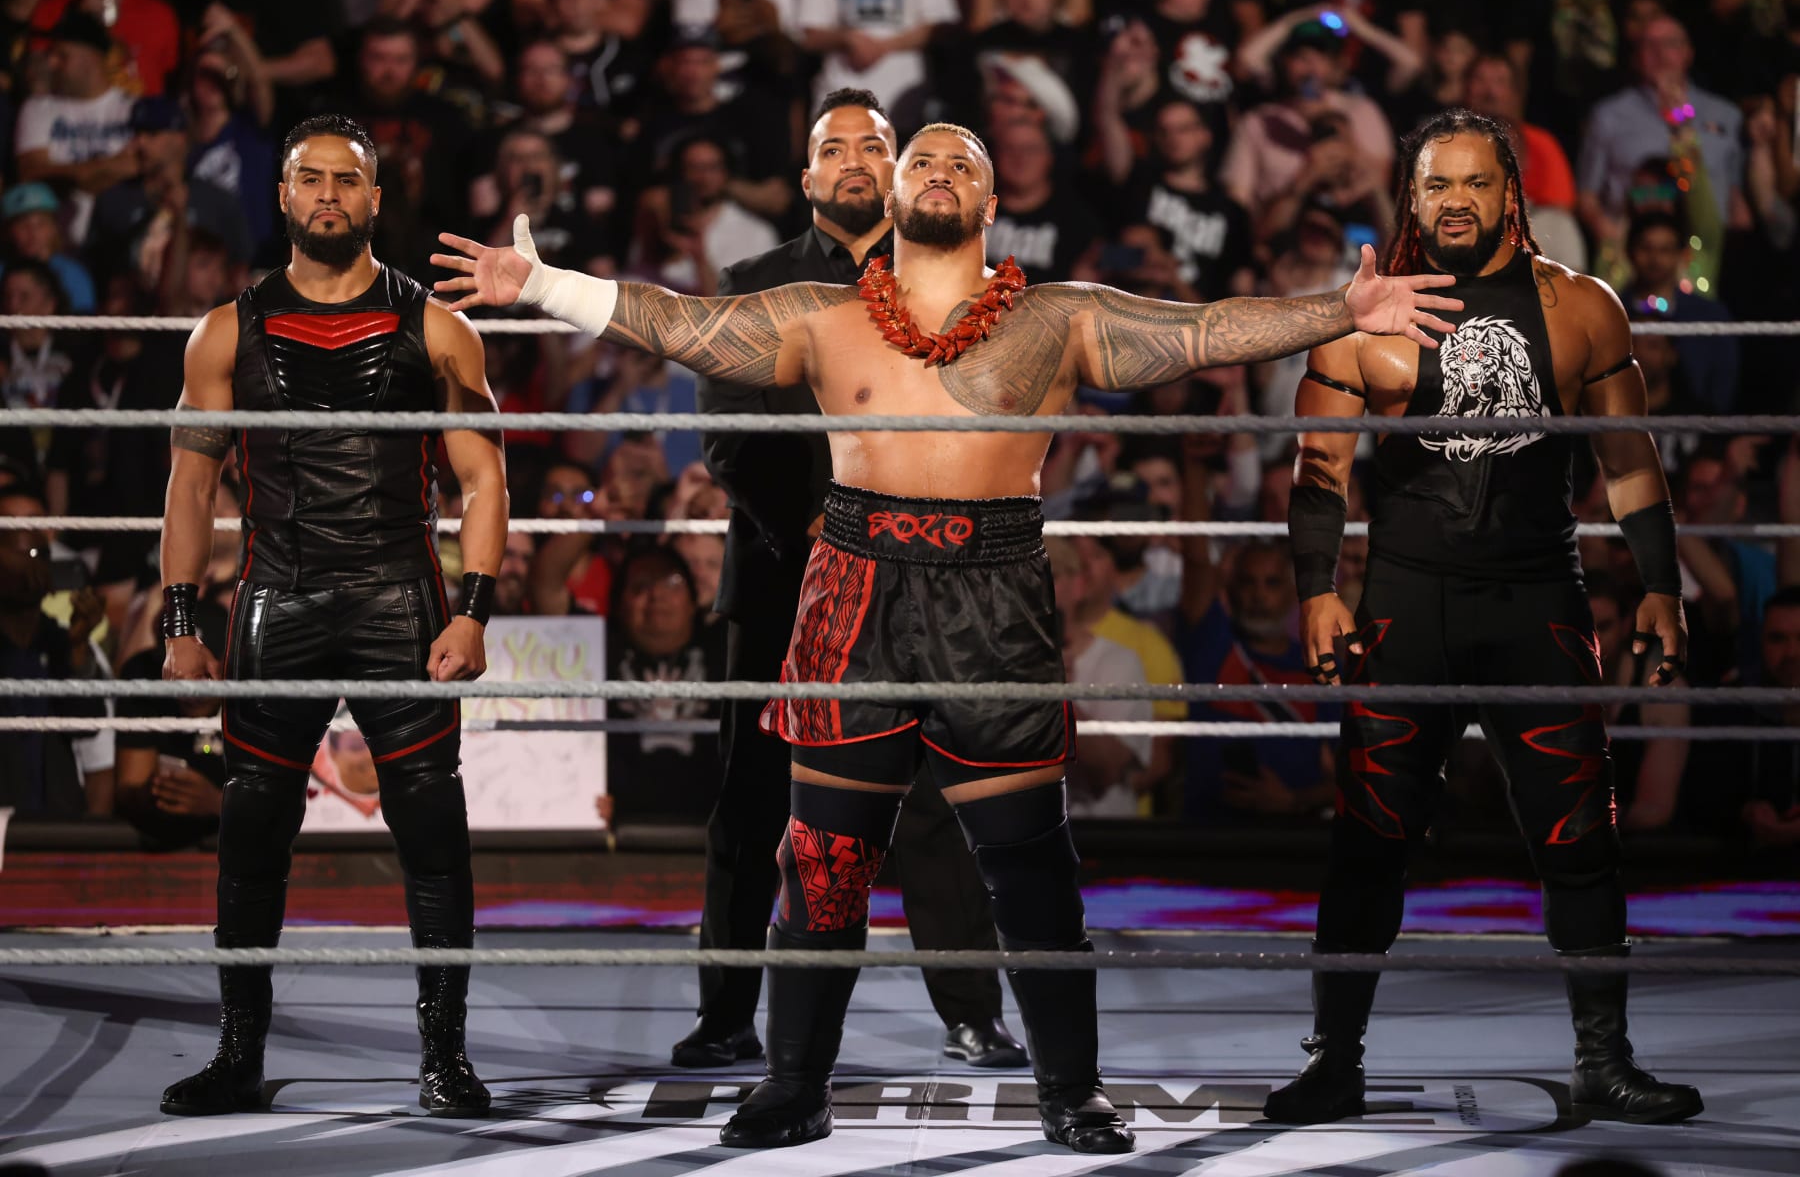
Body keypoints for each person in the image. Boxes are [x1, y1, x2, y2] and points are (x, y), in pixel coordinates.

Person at [433, 111, 1458, 1153]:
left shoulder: (1055, 319)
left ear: (991, 199)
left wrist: (1341, 308)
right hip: (853, 587)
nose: (933, 173)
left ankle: (1071, 1088)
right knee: (822, 859)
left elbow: (1197, 333)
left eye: (957, 162)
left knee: (1030, 863)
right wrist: (546, 287)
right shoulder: (822, 318)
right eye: (916, 160)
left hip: (995, 590)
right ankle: (794, 1083)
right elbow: (683, 324)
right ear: (888, 196)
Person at [1266, 108, 1703, 1128]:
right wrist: (1318, 589)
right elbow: (1319, 468)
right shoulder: (1370, 317)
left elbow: (1629, 462)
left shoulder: (1581, 308)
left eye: (1473, 183)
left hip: (1535, 603)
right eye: (1435, 185)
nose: (1454, 202)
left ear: (1511, 193)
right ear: (1410, 197)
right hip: (1404, 607)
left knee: (1579, 836)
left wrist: (1660, 586)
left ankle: (1604, 1058)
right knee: (1368, 838)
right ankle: (1335, 1060)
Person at [157, 114, 508, 1120]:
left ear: (374, 198)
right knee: (250, 832)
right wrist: (182, 620)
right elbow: (189, 487)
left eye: (344, 181)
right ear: (281, 195)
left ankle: (444, 1057)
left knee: (433, 830)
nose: (325, 194)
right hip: (279, 596)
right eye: (307, 178)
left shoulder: (436, 324)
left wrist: (475, 609)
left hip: (403, 595)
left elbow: (485, 479)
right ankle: (238, 1055)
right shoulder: (225, 330)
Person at [679, 88, 1029, 1075]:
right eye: (831, 148)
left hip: (925, 579)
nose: (852, 163)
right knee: (753, 804)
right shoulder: (753, 280)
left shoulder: (951, 276)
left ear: (899, 166)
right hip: (785, 572)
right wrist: (833, 532)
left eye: (872, 147)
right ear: (804, 177)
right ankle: (724, 1015)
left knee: (932, 801)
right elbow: (732, 439)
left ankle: (971, 1011)